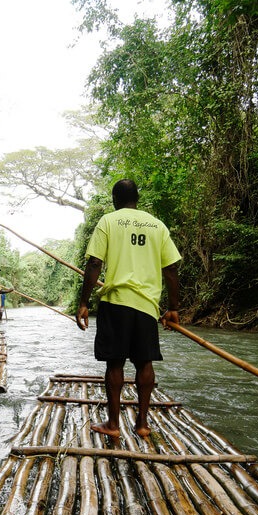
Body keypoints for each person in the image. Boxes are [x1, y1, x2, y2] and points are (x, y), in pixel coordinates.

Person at [76, 179, 181, 439]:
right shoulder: (157, 226)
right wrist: (173, 308)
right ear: (138, 197)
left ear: (114, 198)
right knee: (145, 363)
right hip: (147, 305)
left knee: (115, 364)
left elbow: (94, 264)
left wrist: (83, 303)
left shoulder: (109, 222)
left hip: (116, 301)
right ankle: (142, 424)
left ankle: (113, 425)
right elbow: (170, 269)